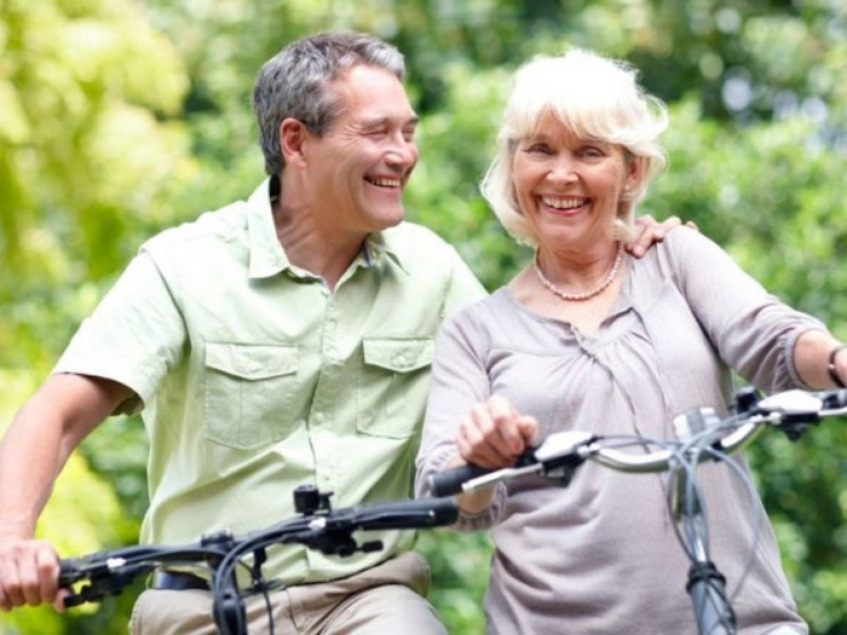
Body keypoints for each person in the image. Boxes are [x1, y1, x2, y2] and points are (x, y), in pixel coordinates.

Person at [0, 33, 679, 634]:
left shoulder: (430, 271)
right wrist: (10, 539)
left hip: (365, 600)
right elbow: (56, 416)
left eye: (408, 132)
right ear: (297, 142)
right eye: (379, 133)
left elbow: (547, 373)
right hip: (202, 606)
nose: (403, 155)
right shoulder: (184, 267)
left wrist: (618, 251)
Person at [415, 47, 845, 635]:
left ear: (632, 171)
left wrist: (838, 361)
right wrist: (476, 459)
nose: (561, 174)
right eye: (539, 149)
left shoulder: (677, 260)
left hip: (738, 619)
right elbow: (447, 495)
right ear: (513, 165)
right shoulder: (476, 331)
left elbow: (774, 341)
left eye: (589, 151)